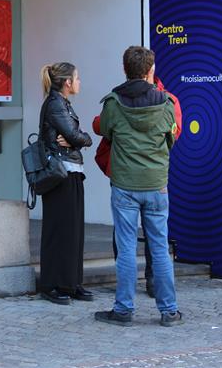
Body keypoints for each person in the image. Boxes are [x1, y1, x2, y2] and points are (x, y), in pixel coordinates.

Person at [94, 46, 183, 327]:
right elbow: (173, 136)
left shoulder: (113, 103)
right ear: (151, 70)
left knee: (126, 248)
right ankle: (169, 311)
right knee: (160, 249)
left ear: (125, 69)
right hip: (156, 185)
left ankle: (123, 310)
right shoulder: (168, 103)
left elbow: (102, 128)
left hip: (124, 185)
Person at [38, 62, 94, 305]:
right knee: (59, 230)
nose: (79, 82)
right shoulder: (55, 105)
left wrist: (77, 139)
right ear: (68, 82)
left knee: (73, 230)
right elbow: (75, 136)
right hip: (60, 173)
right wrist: (82, 139)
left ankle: (71, 283)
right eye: (77, 78)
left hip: (71, 171)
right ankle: (52, 284)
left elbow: (73, 137)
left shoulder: (63, 103)